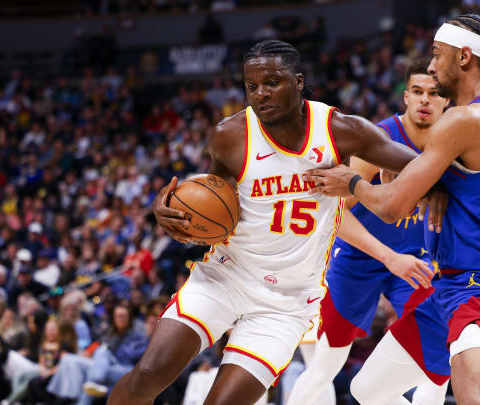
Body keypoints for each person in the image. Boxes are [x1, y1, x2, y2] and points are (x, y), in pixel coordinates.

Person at [108, 40, 444, 405]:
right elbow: (211, 207)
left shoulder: (340, 130)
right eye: (251, 86)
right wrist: (171, 214)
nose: (260, 94)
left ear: (298, 82)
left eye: (272, 83)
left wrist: (373, 184)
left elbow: (420, 169)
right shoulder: (229, 136)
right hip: (226, 277)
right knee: (147, 376)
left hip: (287, 303)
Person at [306, 14, 480, 404]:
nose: (430, 65)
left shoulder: (461, 119)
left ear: (463, 57)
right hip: (449, 288)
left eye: (436, 54)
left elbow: (392, 207)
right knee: (367, 389)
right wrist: (436, 187)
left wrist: (352, 183)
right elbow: (477, 185)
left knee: (478, 399)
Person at [286, 59, 450, 405]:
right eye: (417, 92)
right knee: (325, 364)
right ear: (405, 96)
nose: (425, 100)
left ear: (446, 99)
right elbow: (335, 211)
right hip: (360, 257)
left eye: (434, 93)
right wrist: (389, 257)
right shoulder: (383, 138)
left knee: (436, 362)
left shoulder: (451, 142)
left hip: (416, 259)